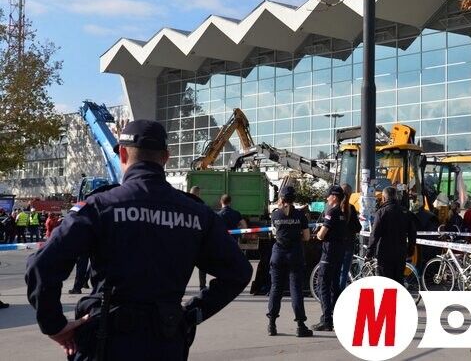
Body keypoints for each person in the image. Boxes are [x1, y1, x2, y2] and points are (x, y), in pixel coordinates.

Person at [25, 119, 253, 360]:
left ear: (123, 154)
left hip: (106, 341)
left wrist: (54, 325)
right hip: (166, 341)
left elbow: (42, 265)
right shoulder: (197, 213)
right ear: (166, 158)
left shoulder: (100, 206)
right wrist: (193, 313)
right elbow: (238, 272)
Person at [266, 186, 313, 338]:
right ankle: (300, 325)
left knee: (275, 288)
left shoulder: (275, 215)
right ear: (294, 199)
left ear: (281, 198)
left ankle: (272, 324)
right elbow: (306, 237)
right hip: (295, 254)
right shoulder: (300, 215)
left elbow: (275, 234)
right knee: (296, 290)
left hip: (278, 254)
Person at [313, 186, 347, 332]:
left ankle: (326, 319)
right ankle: (336, 317)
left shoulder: (332, 212)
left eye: (328, 196)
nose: (327, 199)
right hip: (339, 252)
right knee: (334, 285)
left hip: (329, 253)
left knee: (323, 286)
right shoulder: (344, 213)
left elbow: (321, 235)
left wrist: (318, 233)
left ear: (334, 197)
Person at [366, 186, 417, 285]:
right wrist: (410, 250)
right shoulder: (405, 212)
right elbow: (412, 233)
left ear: (384, 198)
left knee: (386, 284)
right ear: (396, 197)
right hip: (400, 253)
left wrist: (369, 252)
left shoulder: (382, 212)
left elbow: (374, 234)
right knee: (398, 282)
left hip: (385, 255)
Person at [339, 183, 361, 291]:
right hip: (348, 244)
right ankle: (339, 293)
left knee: (335, 270)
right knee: (344, 272)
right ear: (350, 194)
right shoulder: (350, 208)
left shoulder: (332, 207)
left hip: (335, 244)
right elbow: (357, 227)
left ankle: (332, 293)